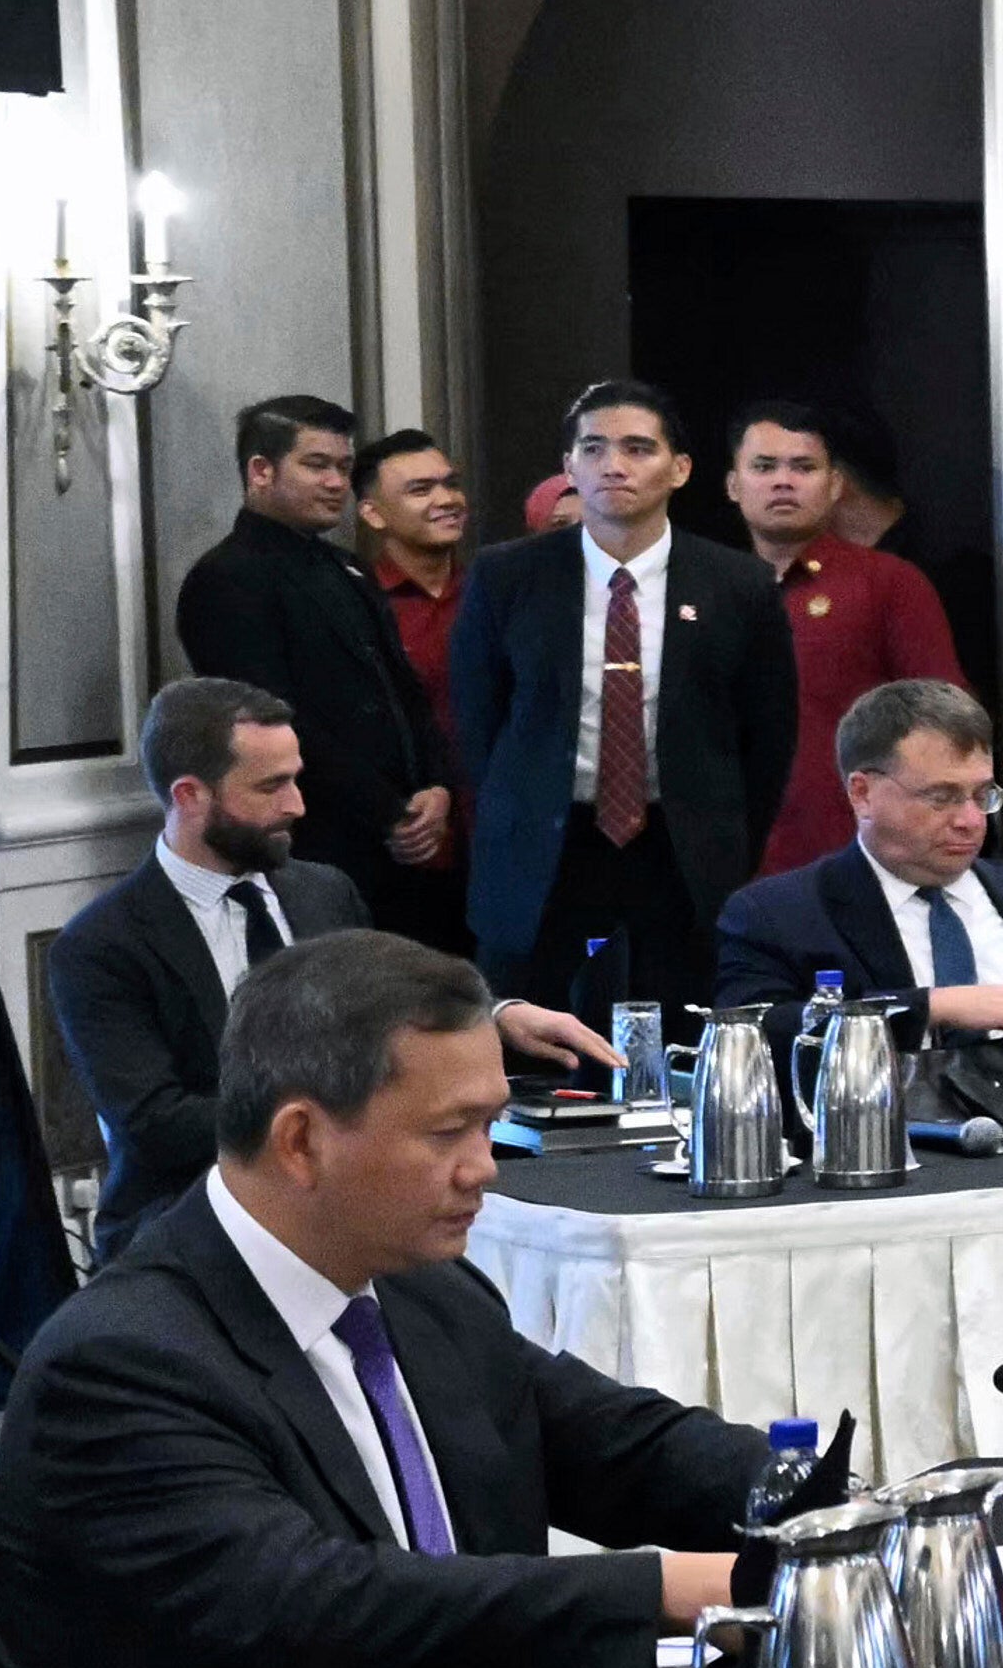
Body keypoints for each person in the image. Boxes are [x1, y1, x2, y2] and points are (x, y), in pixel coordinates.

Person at [0, 932, 778, 1668]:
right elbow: (320, 1605)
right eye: (448, 1133)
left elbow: (617, 1443)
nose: (484, 1166)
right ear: (302, 1141)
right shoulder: (120, 1364)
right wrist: (677, 1589)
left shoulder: (416, 1288)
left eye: (489, 1125)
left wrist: (820, 1507)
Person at [46, 676, 601, 1235]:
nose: (298, 805)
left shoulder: (322, 893)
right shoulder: (103, 946)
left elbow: (390, 1003)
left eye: (296, 780)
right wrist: (339, 1117)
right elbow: (156, 1125)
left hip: (352, 1202)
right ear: (190, 796)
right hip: (190, 1221)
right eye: (271, 787)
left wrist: (498, 1016)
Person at [447, 379, 793, 1032]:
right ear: (569, 466)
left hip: (678, 844)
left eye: (638, 449)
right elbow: (478, 719)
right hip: (547, 842)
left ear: (680, 468)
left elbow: (766, 735)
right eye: (595, 448)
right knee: (528, 1045)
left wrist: (724, 834)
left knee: (682, 1040)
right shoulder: (508, 575)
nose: (615, 465)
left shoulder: (737, 582)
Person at [709, 684, 1003, 1117]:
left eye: (982, 795)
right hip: (889, 1160)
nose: (970, 821)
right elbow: (752, 1041)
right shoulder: (778, 915)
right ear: (863, 793)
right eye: (942, 798)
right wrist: (929, 1008)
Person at [168, 391, 447, 919]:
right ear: (261, 470)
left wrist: (435, 786)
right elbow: (271, 719)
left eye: (343, 467)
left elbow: (405, 691)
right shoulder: (228, 578)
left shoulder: (349, 567)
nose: (336, 483)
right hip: (314, 843)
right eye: (316, 465)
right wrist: (389, 811)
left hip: (407, 842)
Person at [727, 405, 966, 883]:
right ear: (733, 486)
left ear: (835, 485)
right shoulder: (704, 592)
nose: (783, 481)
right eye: (764, 466)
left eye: (803, 467)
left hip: (856, 862)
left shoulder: (888, 583)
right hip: (730, 865)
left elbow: (947, 727)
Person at [350, 427, 478, 951]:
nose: (446, 499)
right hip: (405, 847)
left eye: (449, 484)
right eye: (421, 489)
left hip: (497, 841)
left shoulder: (494, 591)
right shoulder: (356, 604)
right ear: (373, 514)